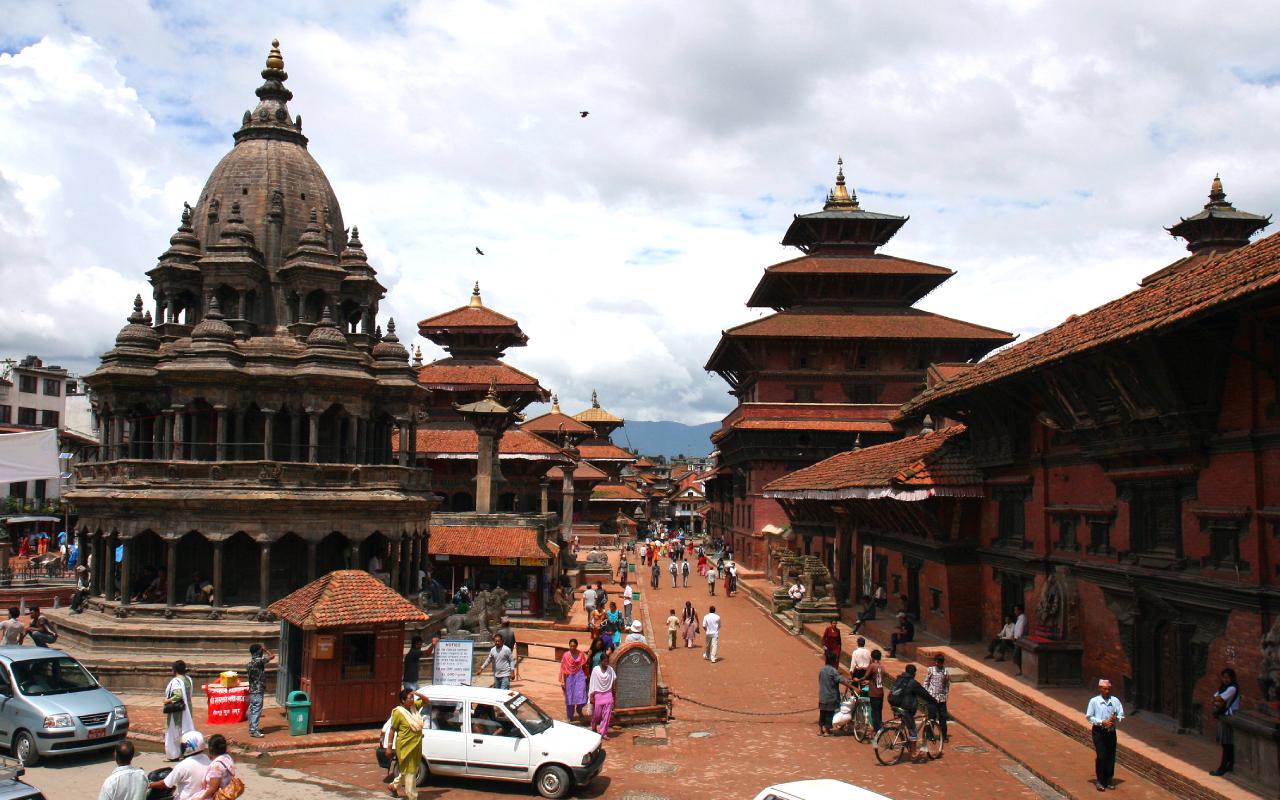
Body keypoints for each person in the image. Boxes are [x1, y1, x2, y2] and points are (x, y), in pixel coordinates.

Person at [888, 663, 937, 758]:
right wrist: (934, 701)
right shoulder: (912, 683)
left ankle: (908, 742)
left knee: (906, 723)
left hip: (895, 705)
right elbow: (924, 693)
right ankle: (914, 753)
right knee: (913, 729)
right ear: (914, 673)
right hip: (905, 709)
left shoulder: (899, 679)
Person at [386, 688, 424, 800]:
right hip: (405, 746)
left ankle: (393, 786)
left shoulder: (414, 708)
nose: (412, 699)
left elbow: (426, 700)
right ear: (403, 700)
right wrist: (389, 747)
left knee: (409, 770)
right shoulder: (398, 712)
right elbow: (392, 730)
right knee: (410, 772)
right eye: (409, 698)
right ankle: (412, 796)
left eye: (413, 698)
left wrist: (416, 693)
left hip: (416, 745)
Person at [1086, 678, 1124, 791]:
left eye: (1108, 689)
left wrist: (1115, 718)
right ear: (1100, 689)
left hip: (1111, 731)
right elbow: (1089, 717)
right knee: (1101, 756)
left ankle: (1108, 779)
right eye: (1105, 689)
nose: (1107, 691)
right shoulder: (1094, 701)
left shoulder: (1115, 701)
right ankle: (1100, 780)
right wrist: (1102, 721)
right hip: (1099, 731)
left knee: (1111, 756)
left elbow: (1121, 714)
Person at [150, 730, 210, 800]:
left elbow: (165, 784)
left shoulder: (183, 765)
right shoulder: (208, 759)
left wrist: (148, 785)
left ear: (187, 747)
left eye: (182, 745)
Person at [1211, 668, 1240, 776]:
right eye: (1223, 677)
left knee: (1227, 744)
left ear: (1232, 678)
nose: (1225, 679)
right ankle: (1230, 765)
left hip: (1229, 717)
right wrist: (1217, 700)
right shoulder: (1224, 687)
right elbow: (1215, 698)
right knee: (1227, 744)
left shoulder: (1232, 688)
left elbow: (1219, 699)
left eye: (1227, 677)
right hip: (1224, 716)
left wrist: (1218, 700)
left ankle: (1223, 768)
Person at [818, 650, 854, 736]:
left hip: (822, 696)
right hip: (831, 696)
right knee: (829, 714)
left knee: (822, 713)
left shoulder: (822, 670)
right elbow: (842, 681)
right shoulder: (833, 671)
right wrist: (853, 687)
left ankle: (820, 731)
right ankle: (827, 731)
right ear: (834, 661)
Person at [165, 660, 195, 760]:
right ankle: (187, 751)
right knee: (185, 730)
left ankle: (173, 754)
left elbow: (178, 695)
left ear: (174, 670)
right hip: (187, 709)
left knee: (174, 731)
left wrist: (168, 700)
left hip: (177, 711)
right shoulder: (188, 679)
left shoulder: (176, 681)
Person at [246, 643, 273, 738]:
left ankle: (252, 728)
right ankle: (254, 730)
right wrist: (266, 650)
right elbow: (272, 656)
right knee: (257, 709)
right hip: (258, 689)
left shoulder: (249, 664)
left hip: (252, 689)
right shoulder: (259, 662)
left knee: (253, 709)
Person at [923, 653, 951, 741]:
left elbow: (947, 684)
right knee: (931, 717)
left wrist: (945, 695)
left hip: (942, 698)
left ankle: (944, 736)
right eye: (938, 662)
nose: (939, 664)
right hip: (932, 698)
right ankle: (929, 735)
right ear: (935, 662)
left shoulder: (945, 672)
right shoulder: (931, 670)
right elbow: (926, 682)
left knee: (943, 718)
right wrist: (926, 694)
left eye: (941, 662)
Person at [559, 638, 588, 721]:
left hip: (579, 677)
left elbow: (584, 666)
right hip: (569, 678)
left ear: (576, 646)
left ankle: (579, 709)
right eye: (571, 646)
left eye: (574, 646)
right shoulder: (566, 655)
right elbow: (563, 669)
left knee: (582, 696)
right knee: (570, 697)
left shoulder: (581, 654)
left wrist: (586, 675)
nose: (572, 648)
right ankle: (570, 716)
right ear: (569, 646)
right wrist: (563, 682)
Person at [588, 657, 617, 737]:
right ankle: (594, 726)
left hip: (608, 694)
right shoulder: (595, 669)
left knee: (607, 715)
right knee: (596, 715)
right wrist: (591, 695)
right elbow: (592, 682)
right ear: (601, 661)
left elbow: (613, 680)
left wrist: (613, 691)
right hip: (598, 694)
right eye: (605, 661)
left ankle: (603, 732)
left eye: (608, 661)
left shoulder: (610, 669)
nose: (606, 663)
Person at [864, 649, 886, 732]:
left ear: (872, 657)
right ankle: (879, 728)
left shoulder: (872, 666)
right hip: (880, 692)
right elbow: (878, 678)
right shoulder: (882, 667)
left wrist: (858, 680)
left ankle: (876, 730)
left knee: (874, 713)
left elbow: (866, 676)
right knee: (879, 712)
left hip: (874, 693)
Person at [1012, 604, 1028, 676]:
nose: (1015, 611)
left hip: (1020, 639)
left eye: (1016, 610)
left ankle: (1022, 670)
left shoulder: (1023, 618)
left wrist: (1017, 637)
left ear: (1020, 610)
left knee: (1017, 655)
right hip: (1017, 638)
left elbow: (1021, 629)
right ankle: (1021, 670)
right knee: (1018, 655)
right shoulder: (1019, 618)